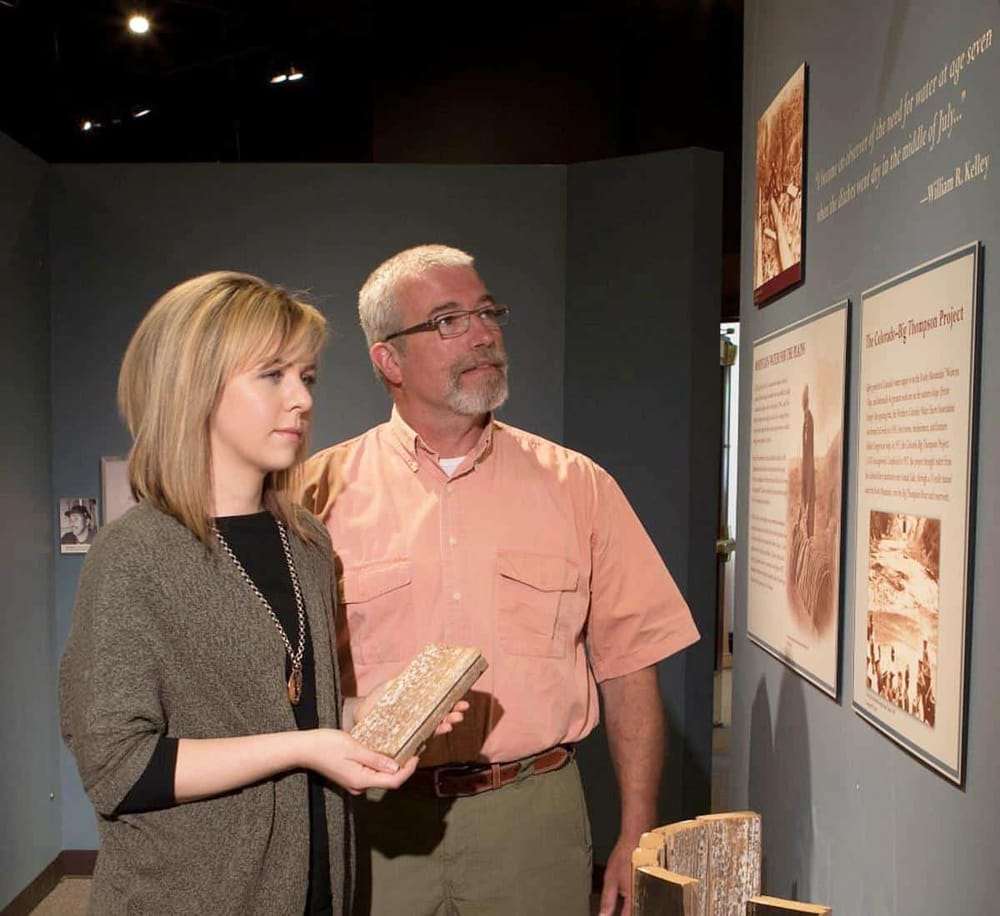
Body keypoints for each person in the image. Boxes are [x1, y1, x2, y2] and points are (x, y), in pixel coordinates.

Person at [298, 244, 699, 916]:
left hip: (530, 821)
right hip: (372, 819)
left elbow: (630, 668)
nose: (484, 334)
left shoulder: (580, 487)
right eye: (448, 320)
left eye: (488, 313)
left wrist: (638, 832)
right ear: (388, 359)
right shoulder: (315, 494)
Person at [59, 271, 464, 915]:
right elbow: (118, 768)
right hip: (190, 896)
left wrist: (364, 714)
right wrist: (307, 747)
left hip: (316, 885)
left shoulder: (305, 541)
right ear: (194, 389)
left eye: (306, 377)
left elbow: (286, 707)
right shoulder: (135, 552)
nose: (301, 399)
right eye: (272, 375)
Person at [800, 383, 815, 538]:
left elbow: (808, 443)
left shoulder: (809, 418)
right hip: (805, 465)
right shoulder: (806, 419)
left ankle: (809, 531)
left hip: (808, 466)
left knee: (809, 493)